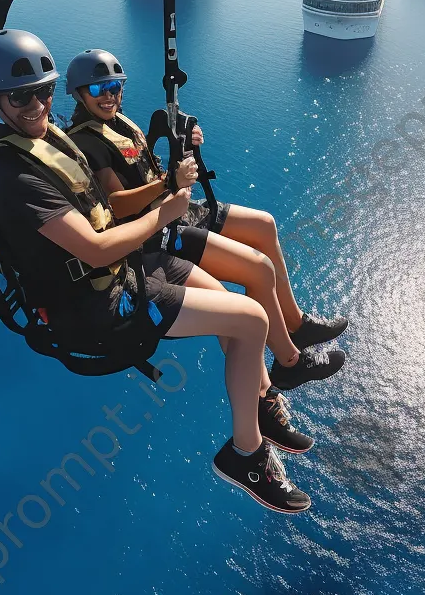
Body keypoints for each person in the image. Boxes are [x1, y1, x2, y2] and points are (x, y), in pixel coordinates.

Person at [0, 29, 313, 514]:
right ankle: (246, 455)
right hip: (94, 304)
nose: (37, 105)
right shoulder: (16, 175)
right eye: (20, 96)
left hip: (127, 270)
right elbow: (93, 248)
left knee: (239, 313)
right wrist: (165, 212)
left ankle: (259, 403)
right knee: (252, 320)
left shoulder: (43, 141)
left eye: (43, 91)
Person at [62, 49, 348, 391]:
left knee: (264, 225)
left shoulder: (115, 125)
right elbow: (117, 205)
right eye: (97, 90)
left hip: (172, 207)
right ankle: (289, 362)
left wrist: (184, 144)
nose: (108, 96)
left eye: (114, 86)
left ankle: (297, 326)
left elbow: (143, 170)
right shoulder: (85, 141)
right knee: (257, 270)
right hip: (155, 228)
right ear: (79, 94)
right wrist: (170, 183)